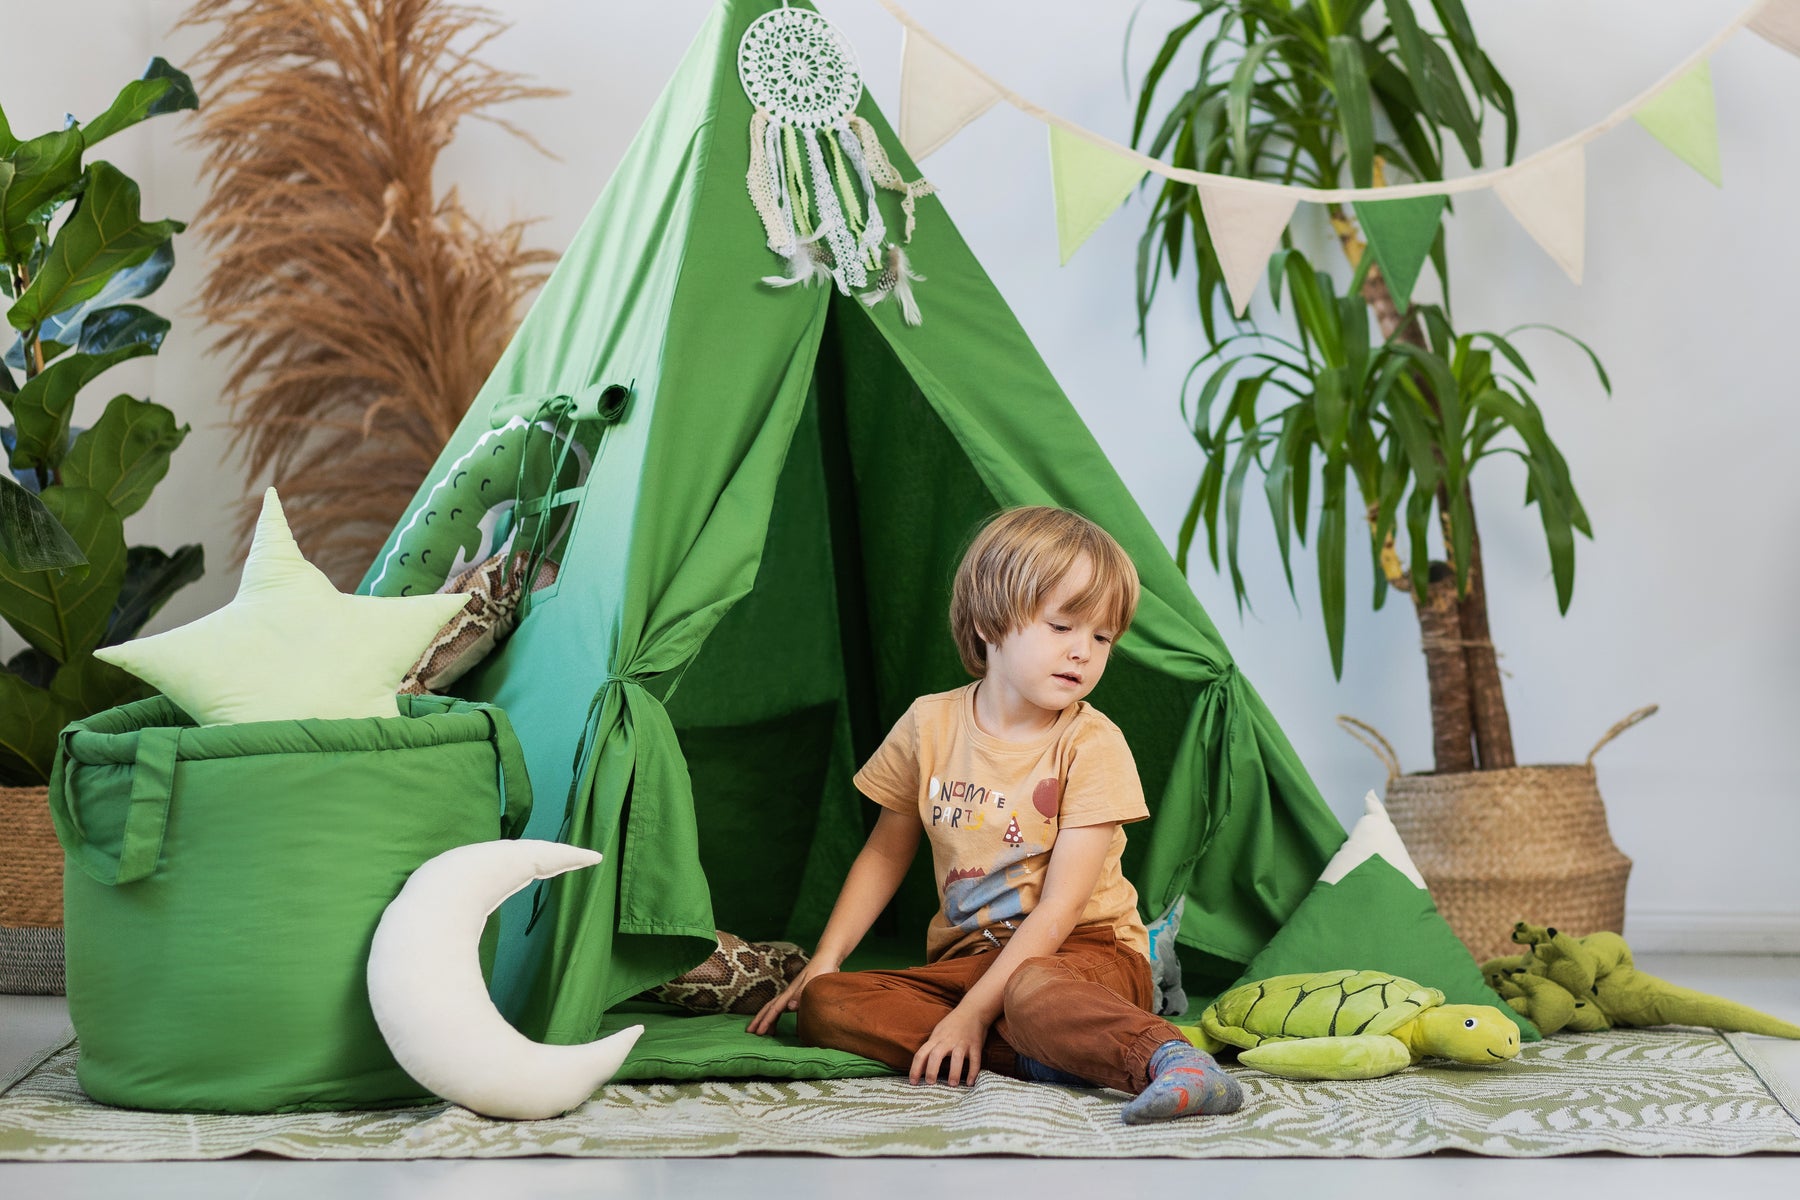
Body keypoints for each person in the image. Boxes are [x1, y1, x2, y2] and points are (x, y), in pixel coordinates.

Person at [747, 506, 1241, 1123]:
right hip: (969, 958)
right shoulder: (928, 723)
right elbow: (884, 850)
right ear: (988, 622)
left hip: (1085, 953)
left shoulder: (1092, 743)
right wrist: (824, 962)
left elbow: (1059, 908)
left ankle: (1169, 1059)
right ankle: (1048, 1056)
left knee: (1032, 995)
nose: (1082, 652)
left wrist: (975, 1013)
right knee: (827, 1006)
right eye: (1061, 625)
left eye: (1102, 638)